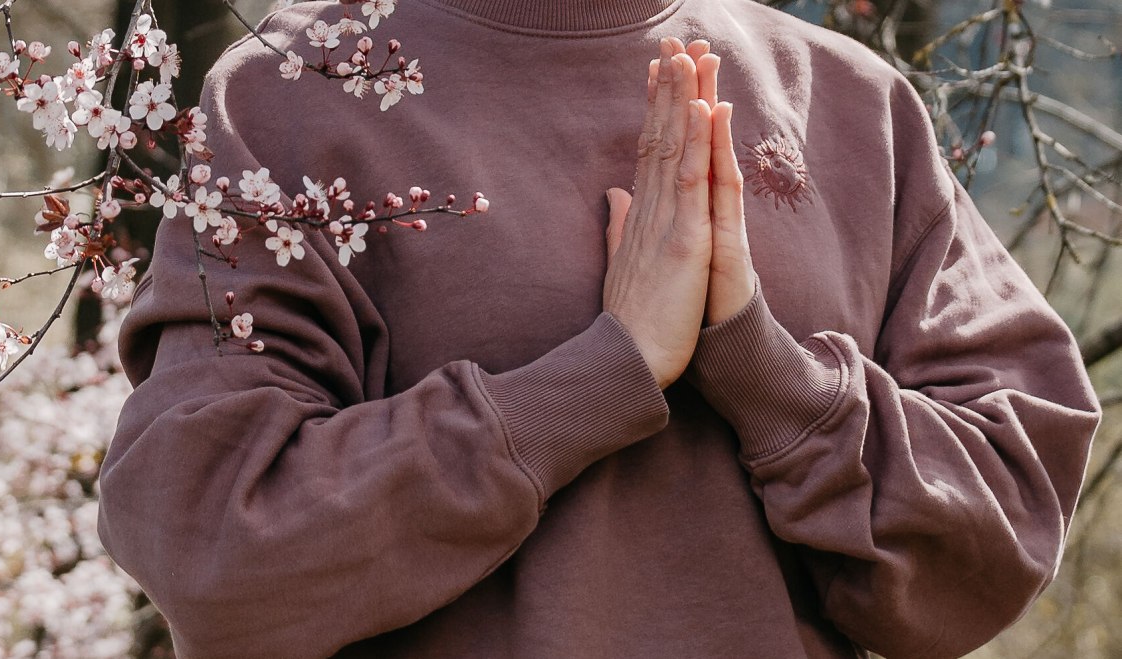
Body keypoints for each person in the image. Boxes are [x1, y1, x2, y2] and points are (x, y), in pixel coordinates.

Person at [97, 1, 1101, 657]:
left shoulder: (844, 99)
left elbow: (997, 531)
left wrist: (760, 366)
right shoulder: (291, 96)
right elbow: (211, 537)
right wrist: (595, 377)